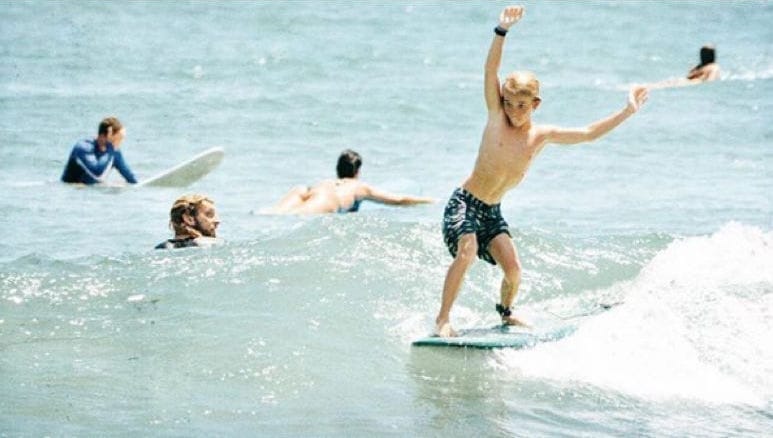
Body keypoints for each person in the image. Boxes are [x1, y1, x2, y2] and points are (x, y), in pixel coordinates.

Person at [433, 6, 648, 337]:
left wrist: (627, 111)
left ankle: (506, 313)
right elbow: (490, 69)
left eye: (521, 105)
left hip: (491, 211)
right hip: (465, 203)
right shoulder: (495, 118)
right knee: (468, 251)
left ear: (535, 104)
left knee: (514, 271)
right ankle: (443, 320)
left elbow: (589, 133)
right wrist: (501, 30)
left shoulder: (540, 136)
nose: (513, 111)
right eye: (508, 103)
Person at [264, 149, 434, 214]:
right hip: (329, 200)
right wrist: (429, 200)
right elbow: (399, 200)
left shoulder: (327, 182)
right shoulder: (359, 186)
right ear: (358, 171)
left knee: (275, 212)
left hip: (307, 190)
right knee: (297, 216)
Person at [61, 116, 138, 185]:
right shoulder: (83, 148)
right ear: (107, 136)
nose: (120, 142)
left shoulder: (114, 152)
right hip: (74, 194)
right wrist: (111, 147)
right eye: (119, 138)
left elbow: (131, 178)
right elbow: (97, 173)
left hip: (93, 195)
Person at [155, 194, 221, 249]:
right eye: (209, 215)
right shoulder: (207, 244)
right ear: (189, 219)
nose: (217, 221)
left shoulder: (162, 247)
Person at [647, 45, 720, 90]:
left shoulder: (713, 67)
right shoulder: (700, 65)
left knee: (663, 85)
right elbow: (689, 74)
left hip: (694, 82)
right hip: (687, 81)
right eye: (702, 53)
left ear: (711, 55)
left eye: (704, 53)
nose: (701, 55)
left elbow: (710, 80)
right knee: (666, 82)